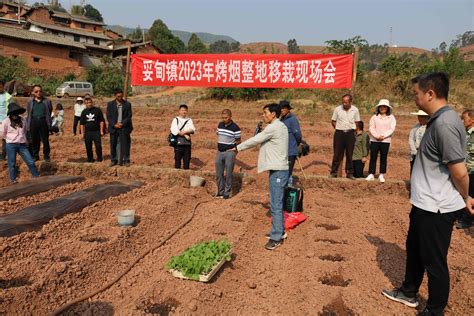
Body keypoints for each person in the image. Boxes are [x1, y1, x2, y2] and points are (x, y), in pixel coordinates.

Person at [382, 72, 474, 316]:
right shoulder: (439, 119)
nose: (415, 98)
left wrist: (465, 197)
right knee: (414, 248)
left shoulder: (445, 124)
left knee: (434, 261)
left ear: (430, 94)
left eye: (416, 94)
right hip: (425, 203)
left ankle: (435, 310)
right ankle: (409, 291)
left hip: (438, 206)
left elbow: (460, 172)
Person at [231, 103, 289, 250]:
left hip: (278, 171)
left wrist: (238, 148)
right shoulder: (279, 126)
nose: (264, 116)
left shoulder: (274, 127)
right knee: (276, 202)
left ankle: (276, 238)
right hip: (278, 169)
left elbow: (256, 139)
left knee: (275, 203)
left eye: (265, 113)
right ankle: (279, 231)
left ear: (273, 114)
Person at [2, 102, 39, 184]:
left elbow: (25, 131)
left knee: (31, 162)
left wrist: (26, 141)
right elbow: (3, 134)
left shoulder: (23, 120)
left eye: (16, 112)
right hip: (11, 145)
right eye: (13, 113)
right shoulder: (6, 122)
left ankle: (36, 177)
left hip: (22, 145)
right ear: (10, 114)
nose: (15, 114)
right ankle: (13, 180)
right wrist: (10, 139)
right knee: (12, 164)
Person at [329, 94, 360, 179]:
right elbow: (333, 121)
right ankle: (333, 172)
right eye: (343, 102)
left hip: (350, 133)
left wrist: (353, 130)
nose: (344, 104)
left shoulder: (355, 110)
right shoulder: (337, 109)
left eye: (346, 102)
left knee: (349, 154)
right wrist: (339, 128)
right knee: (337, 154)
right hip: (339, 133)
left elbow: (357, 122)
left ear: (350, 102)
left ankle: (349, 173)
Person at [366, 99, 397, 183]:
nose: (382, 108)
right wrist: (376, 136)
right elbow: (371, 128)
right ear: (378, 108)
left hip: (385, 141)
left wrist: (383, 136)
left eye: (384, 107)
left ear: (387, 108)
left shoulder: (391, 118)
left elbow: (392, 129)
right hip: (374, 140)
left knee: (383, 158)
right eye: (381, 107)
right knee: (373, 157)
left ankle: (381, 174)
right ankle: (371, 174)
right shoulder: (374, 117)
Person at [215, 109, 241, 199]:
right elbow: (218, 135)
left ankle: (227, 192)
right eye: (223, 117)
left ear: (230, 117)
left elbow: (238, 140)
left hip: (230, 152)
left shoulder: (235, 127)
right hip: (219, 151)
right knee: (219, 173)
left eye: (226, 117)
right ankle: (220, 192)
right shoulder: (220, 124)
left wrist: (235, 151)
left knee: (229, 173)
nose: (224, 119)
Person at [456, 109, 474, 229]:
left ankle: (467, 220)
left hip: (473, 171)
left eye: (464, 119)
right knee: (462, 193)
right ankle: (460, 216)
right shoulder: (465, 132)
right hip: (464, 170)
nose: (462, 121)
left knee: (471, 194)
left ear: (472, 120)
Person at [106, 88, 133, 167]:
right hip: (114, 128)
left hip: (124, 127)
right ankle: (113, 160)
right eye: (118, 96)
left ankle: (126, 160)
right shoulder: (110, 104)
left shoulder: (127, 104)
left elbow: (129, 116)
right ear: (115, 96)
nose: (120, 98)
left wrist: (122, 123)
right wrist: (114, 124)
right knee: (113, 144)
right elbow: (108, 116)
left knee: (126, 144)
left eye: (121, 96)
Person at [26, 84, 52, 162]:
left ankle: (46, 156)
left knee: (45, 140)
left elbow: (49, 111)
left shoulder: (47, 101)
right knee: (35, 140)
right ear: (33, 93)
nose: (38, 93)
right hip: (33, 121)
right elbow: (29, 112)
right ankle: (35, 156)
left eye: (40, 91)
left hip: (43, 121)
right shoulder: (30, 102)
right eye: (36, 91)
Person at [279, 100, 302, 185]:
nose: (282, 110)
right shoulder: (281, 120)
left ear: (288, 109)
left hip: (290, 151)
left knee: (288, 173)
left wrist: (297, 144)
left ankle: (288, 190)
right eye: (280, 108)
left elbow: (298, 135)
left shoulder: (292, 120)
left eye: (284, 108)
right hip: (282, 151)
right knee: (282, 172)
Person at [170, 104, 196, 169]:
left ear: (187, 111)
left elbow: (193, 129)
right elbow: (175, 131)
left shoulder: (189, 120)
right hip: (178, 144)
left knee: (187, 162)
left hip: (187, 144)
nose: (184, 112)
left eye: (185, 110)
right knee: (177, 162)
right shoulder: (176, 120)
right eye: (182, 110)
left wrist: (184, 132)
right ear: (179, 111)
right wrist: (185, 134)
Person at [80, 97, 105, 163]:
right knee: (88, 146)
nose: (89, 104)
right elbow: (82, 124)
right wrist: (82, 133)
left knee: (98, 146)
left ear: (92, 102)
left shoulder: (97, 110)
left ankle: (99, 159)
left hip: (96, 131)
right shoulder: (84, 112)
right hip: (88, 132)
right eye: (87, 103)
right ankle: (90, 159)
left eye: (90, 102)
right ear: (85, 104)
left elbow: (101, 121)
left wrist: (101, 130)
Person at [408, 110, 429, 175]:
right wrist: (413, 150)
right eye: (419, 116)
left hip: (425, 153)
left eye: (422, 117)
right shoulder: (415, 127)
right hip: (415, 152)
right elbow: (411, 138)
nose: (420, 118)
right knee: (414, 168)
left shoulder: (430, 127)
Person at [0, 81, 12, 160]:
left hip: (4, 120)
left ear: (3, 86)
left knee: (4, 138)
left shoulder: (8, 96)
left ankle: (3, 154)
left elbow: (10, 108)